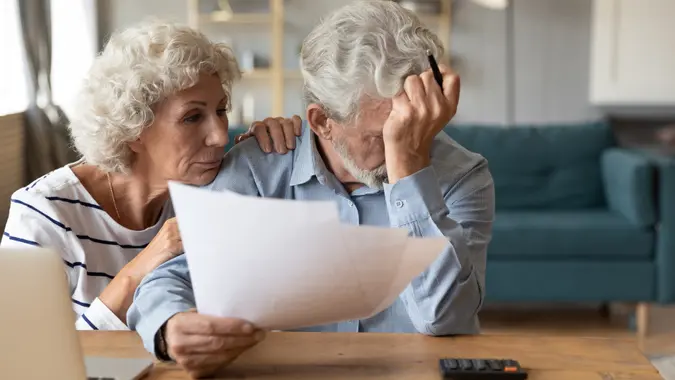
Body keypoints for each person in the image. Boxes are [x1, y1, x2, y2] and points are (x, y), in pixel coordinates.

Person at [128, 0, 495, 377]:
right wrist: (170, 327)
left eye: (408, 124)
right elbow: (171, 277)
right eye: (380, 135)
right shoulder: (257, 169)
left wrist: (410, 169)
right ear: (323, 122)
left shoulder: (464, 175)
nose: (401, 142)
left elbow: (445, 319)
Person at [0, 20, 299, 332]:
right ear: (133, 129)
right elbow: (21, 356)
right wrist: (138, 271)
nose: (220, 136)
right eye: (192, 117)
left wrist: (282, 151)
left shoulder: (210, 188)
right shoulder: (45, 213)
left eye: (221, 111)